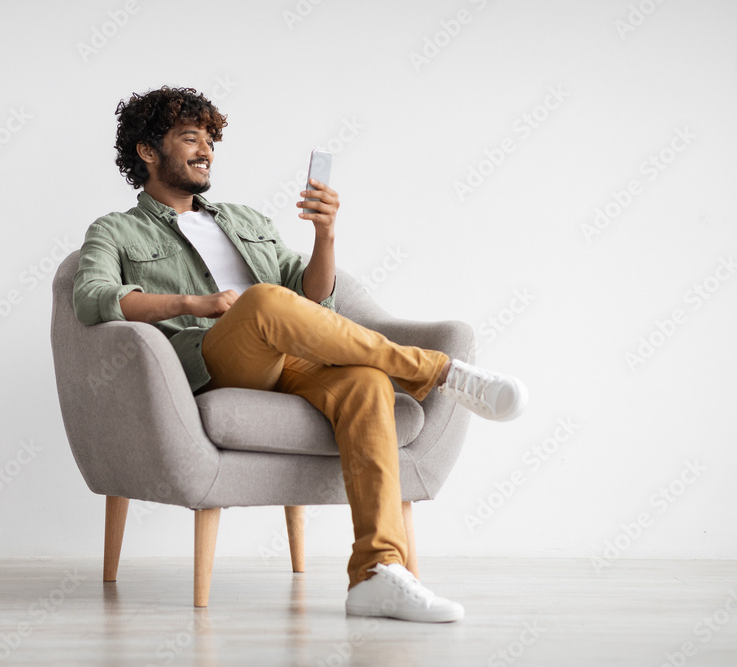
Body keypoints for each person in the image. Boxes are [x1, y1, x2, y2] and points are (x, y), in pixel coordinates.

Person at [74, 86, 527, 623]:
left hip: (289, 357)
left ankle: (376, 574)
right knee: (265, 300)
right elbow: (91, 298)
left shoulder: (243, 220)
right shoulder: (116, 230)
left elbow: (313, 300)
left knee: (366, 383)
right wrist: (195, 301)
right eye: (189, 138)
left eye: (211, 141)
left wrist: (326, 235)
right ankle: (438, 371)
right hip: (215, 358)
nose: (206, 151)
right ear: (148, 151)